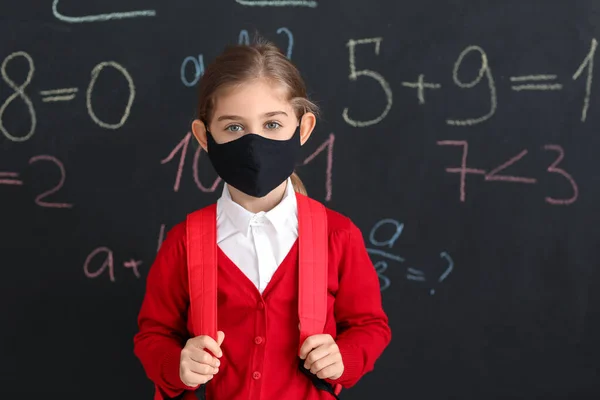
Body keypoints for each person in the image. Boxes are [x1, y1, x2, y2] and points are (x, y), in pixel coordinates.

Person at [133, 36, 391, 400]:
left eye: (272, 125)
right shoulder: (183, 243)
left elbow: (370, 325)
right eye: (234, 128)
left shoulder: (339, 236)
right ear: (205, 137)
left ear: (302, 129)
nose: (253, 146)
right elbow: (153, 335)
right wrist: (176, 364)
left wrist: (344, 358)